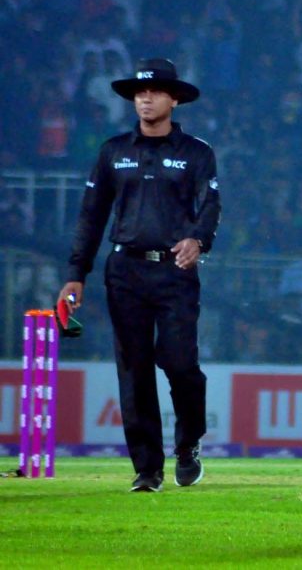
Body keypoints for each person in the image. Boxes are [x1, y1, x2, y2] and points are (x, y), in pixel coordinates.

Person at [58, 58, 220, 493]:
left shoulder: (197, 153)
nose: (144, 98)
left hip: (175, 272)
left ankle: (188, 445)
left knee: (180, 362)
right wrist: (77, 273)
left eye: (153, 91)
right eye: (138, 92)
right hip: (124, 269)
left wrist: (197, 241)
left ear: (174, 99)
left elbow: (209, 206)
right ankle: (147, 469)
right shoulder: (113, 151)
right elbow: (91, 215)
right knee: (133, 369)